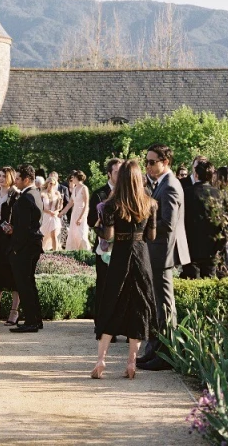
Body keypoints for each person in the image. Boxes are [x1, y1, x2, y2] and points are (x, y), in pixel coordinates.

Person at [92, 160, 158, 380]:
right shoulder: (150, 204)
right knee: (138, 308)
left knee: (111, 303)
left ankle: (101, 360)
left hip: (120, 257)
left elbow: (108, 235)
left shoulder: (111, 205)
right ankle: (131, 362)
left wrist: (98, 229)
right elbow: (152, 236)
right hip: (141, 256)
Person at [137, 144, 190, 371]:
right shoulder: (161, 185)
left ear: (165, 162)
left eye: (151, 162)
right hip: (158, 251)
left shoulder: (170, 186)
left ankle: (166, 355)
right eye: (146, 162)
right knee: (157, 304)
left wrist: (143, 226)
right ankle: (155, 351)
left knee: (165, 305)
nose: (147, 166)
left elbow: (168, 224)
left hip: (163, 252)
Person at [3, 164, 43, 333]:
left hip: (25, 247)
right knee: (29, 283)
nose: (16, 181)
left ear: (27, 179)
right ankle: (36, 319)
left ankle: (31, 321)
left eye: (18, 178)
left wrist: (15, 247)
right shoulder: (35, 194)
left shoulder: (27, 197)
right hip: (32, 245)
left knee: (24, 284)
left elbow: (25, 228)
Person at [88, 158, 122, 327]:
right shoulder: (99, 194)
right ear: (109, 174)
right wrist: (103, 230)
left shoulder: (127, 192)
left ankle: (117, 323)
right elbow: (90, 220)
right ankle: (102, 323)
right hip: (104, 247)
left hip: (122, 246)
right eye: (117, 171)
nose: (120, 174)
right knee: (103, 284)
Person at [0, 167, 21, 325]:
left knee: (13, 273)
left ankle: (14, 311)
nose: (0, 178)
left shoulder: (15, 194)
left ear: (11, 177)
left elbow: (19, 216)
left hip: (10, 237)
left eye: (3, 176)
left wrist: (12, 228)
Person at [183, 160, 226, 278]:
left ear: (196, 174)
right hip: (212, 246)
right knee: (209, 281)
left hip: (190, 246)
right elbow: (225, 223)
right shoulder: (219, 195)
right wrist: (220, 245)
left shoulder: (186, 193)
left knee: (190, 282)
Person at [60, 170, 91, 250]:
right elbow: (70, 203)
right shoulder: (74, 188)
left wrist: (81, 218)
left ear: (77, 177)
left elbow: (86, 204)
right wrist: (62, 212)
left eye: (73, 177)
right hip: (74, 213)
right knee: (73, 233)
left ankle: (85, 252)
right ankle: (73, 252)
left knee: (81, 234)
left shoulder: (84, 188)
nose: (71, 179)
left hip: (82, 213)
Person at [40, 175, 63, 251]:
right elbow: (40, 206)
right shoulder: (42, 193)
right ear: (47, 183)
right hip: (46, 216)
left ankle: (55, 252)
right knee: (44, 236)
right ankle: (41, 252)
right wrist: (48, 211)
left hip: (54, 216)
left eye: (53, 184)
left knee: (54, 235)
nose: (52, 185)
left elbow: (60, 205)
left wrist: (56, 211)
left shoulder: (57, 193)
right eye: (50, 183)